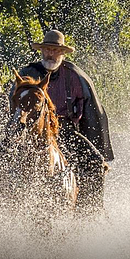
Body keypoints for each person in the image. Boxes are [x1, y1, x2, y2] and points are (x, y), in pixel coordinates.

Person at [14, 29, 114, 211]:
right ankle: (3, 208)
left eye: (54, 50)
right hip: (31, 130)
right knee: (0, 160)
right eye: (47, 49)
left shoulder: (76, 76)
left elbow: (91, 111)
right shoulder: (28, 72)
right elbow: (14, 102)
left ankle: (90, 211)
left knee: (95, 163)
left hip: (65, 130)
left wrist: (95, 142)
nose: (50, 54)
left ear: (62, 53)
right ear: (42, 51)